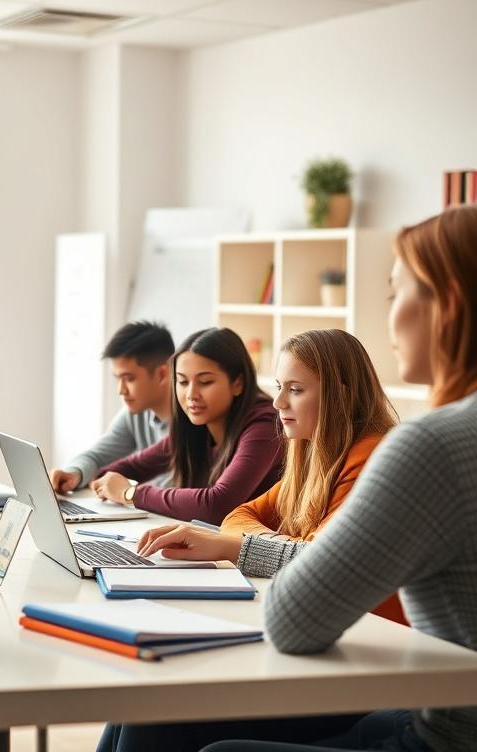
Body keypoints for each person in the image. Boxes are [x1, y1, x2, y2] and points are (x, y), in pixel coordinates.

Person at [198, 205, 477, 752]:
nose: (390, 314)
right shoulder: (326, 456)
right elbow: (250, 516)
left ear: (448, 304)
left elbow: (292, 618)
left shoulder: (429, 448)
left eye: (397, 293)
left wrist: (246, 548)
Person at [135, 328, 406, 624]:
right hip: (340, 619)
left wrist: (240, 547)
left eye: (295, 389)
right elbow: (237, 517)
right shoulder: (313, 455)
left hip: (379, 630)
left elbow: (322, 565)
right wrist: (282, 546)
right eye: (279, 387)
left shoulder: (371, 457)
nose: (278, 402)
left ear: (340, 393)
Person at [89, 327, 283, 524]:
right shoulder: (196, 425)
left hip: (264, 550)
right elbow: (131, 467)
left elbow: (217, 504)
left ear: (238, 383)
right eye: (182, 381)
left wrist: (130, 493)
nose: (191, 395)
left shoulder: (265, 425)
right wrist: (96, 479)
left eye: (205, 382)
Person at [49, 321, 174, 493]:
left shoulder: (195, 417)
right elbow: (97, 457)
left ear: (162, 374)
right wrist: (74, 473)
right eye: (118, 378)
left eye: (129, 378)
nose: (121, 390)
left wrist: (127, 494)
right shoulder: (135, 414)